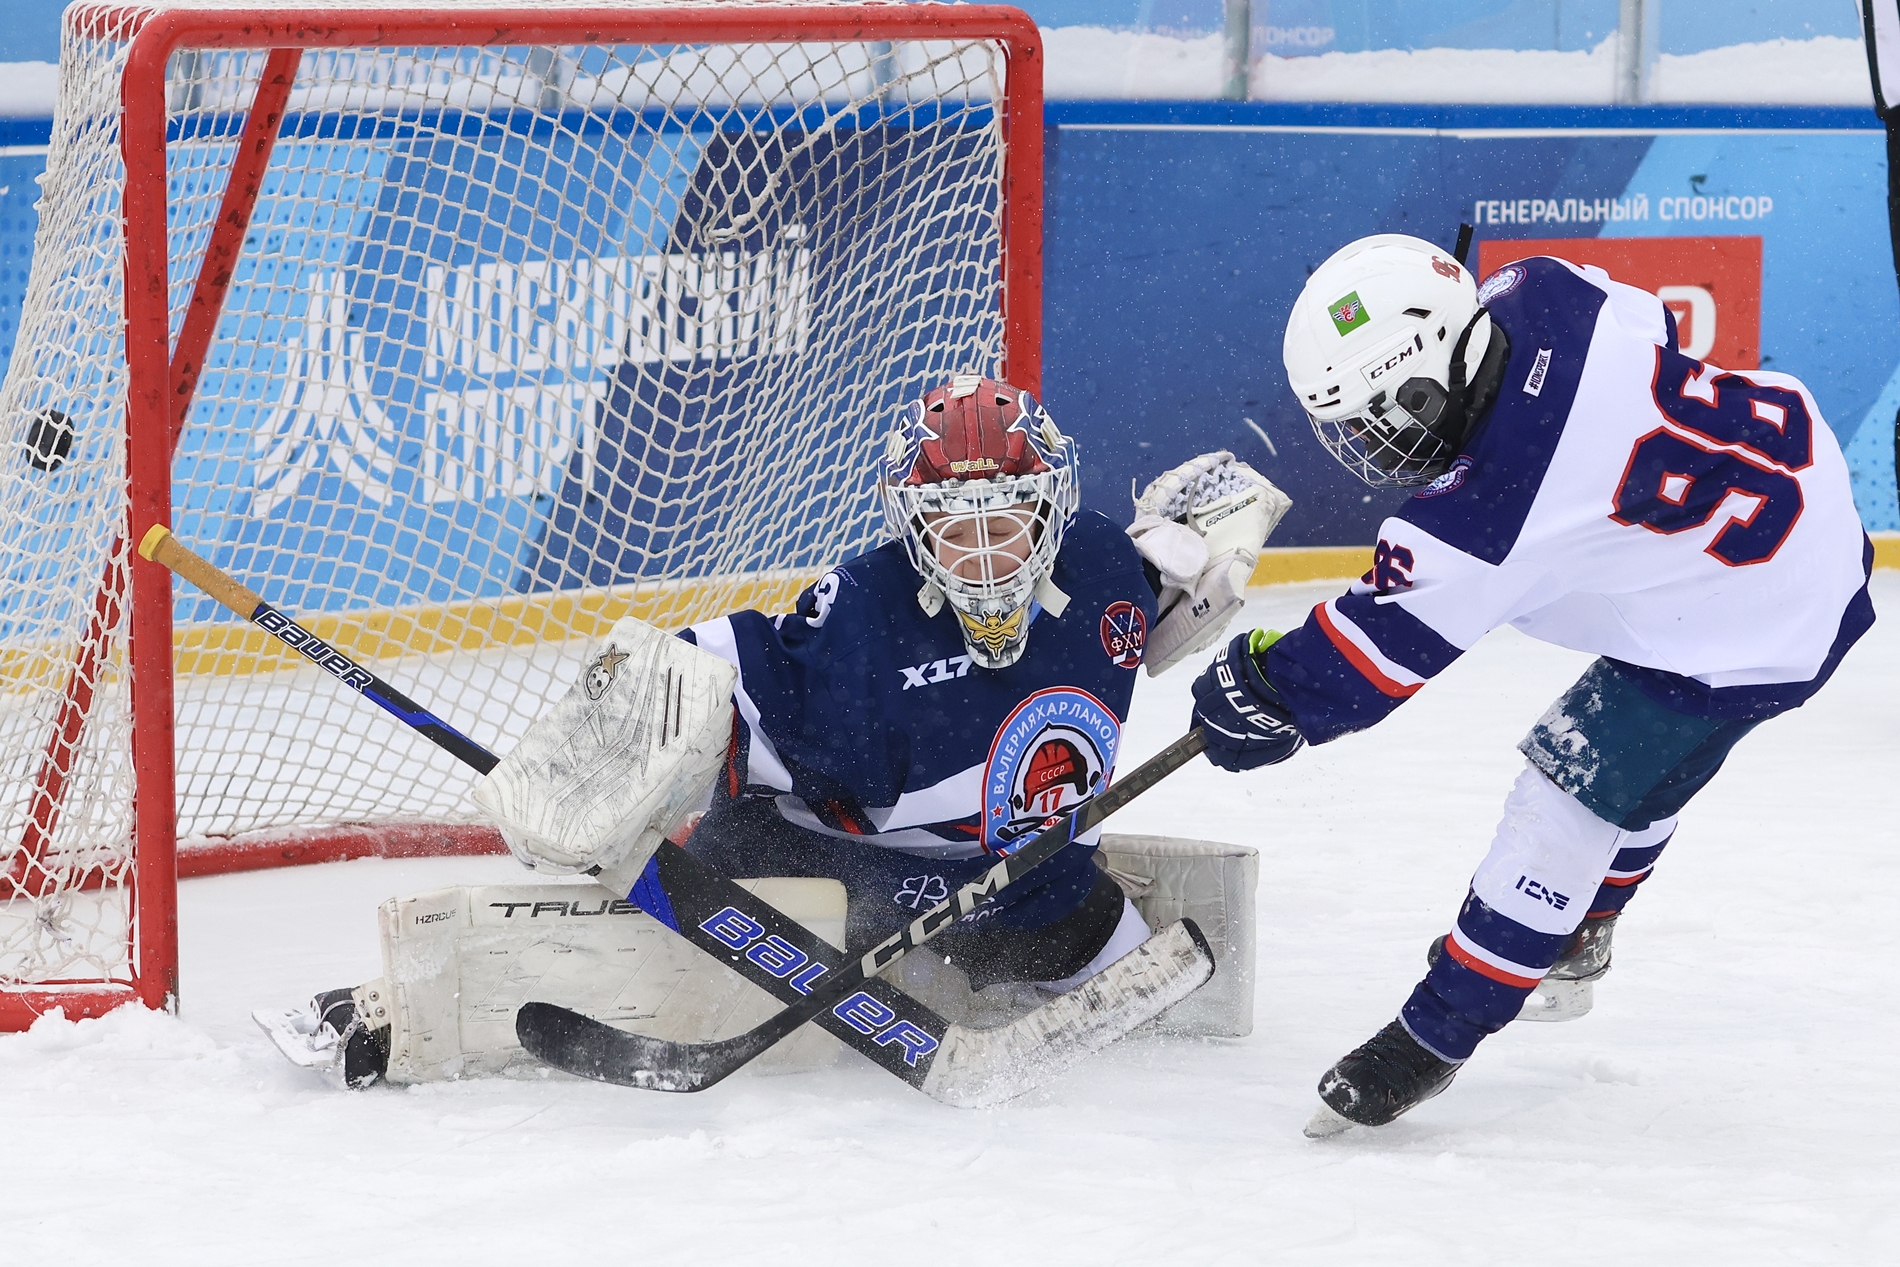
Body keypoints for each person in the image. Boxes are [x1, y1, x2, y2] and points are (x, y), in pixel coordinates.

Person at [275, 373, 1289, 1085]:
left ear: (1053, 510)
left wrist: (1216, 537)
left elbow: (1195, 543)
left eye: (1008, 519)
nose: (983, 553)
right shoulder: (859, 614)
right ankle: (392, 1008)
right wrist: (595, 755)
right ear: (912, 528)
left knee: (1174, 1017)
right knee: (673, 985)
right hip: (825, 868)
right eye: (952, 527)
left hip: (1029, 885)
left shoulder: (1109, 568)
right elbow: (692, 668)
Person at [1188, 235, 1875, 1135]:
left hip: (1754, 618)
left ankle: (1437, 1033)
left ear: (1425, 382)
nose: (1364, 445)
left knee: (1571, 787)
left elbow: (1363, 665)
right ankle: (1584, 925)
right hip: (1797, 499)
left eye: (1370, 418)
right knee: (1648, 768)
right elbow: (1657, 328)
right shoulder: (1541, 291)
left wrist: (1261, 686)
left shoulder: (1489, 509)